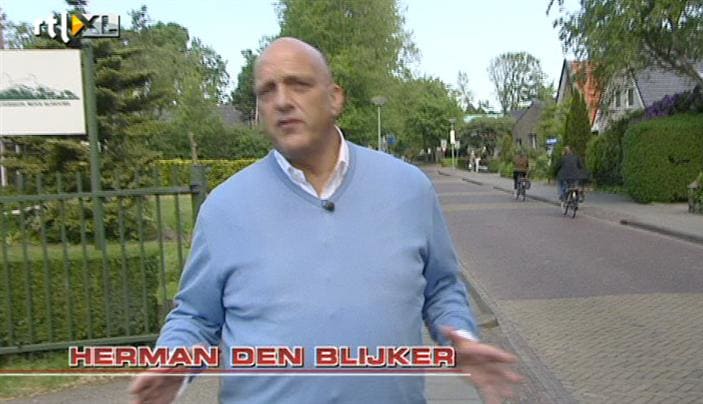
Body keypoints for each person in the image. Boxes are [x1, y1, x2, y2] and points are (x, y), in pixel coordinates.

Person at [130, 37, 521, 404]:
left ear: (335, 98)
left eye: (298, 84)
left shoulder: (409, 189)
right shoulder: (224, 207)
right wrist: (174, 362)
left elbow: (441, 288)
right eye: (267, 91)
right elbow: (196, 316)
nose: (282, 101)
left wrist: (461, 338)